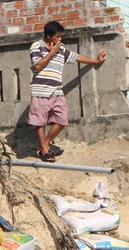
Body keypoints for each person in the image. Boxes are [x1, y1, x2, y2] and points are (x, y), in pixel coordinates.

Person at [28, 20, 105, 162]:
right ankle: (45, 151)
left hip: (56, 90)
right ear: (49, 35)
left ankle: (44, 144)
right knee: (40, 122)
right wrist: (51, 53)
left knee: (62, 120)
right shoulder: (36, 47)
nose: (60, 39)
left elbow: (77, 57)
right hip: (40, 91)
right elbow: (37, 66)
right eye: (57, 36)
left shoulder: (61, 49)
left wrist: (96, 61)